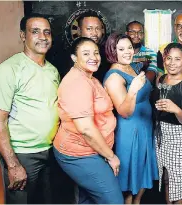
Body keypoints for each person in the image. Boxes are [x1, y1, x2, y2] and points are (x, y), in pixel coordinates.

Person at [0, 14, 60, 204]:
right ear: (23, 36)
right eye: (35, 31)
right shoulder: (8, 70)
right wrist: (13, 165)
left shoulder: (52, 70)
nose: (43, 37)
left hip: (50, 152)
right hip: (22, 154)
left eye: (47, 32)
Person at [53, 37, 123, 204]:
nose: (94, 57)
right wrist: (111, 157)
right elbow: (86, 129)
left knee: (89, 200)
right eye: (86, 53)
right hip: (79, 153)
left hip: (93, 151)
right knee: (114, 201)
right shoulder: (77, 82)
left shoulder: (89, 77)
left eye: (96, 53)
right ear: (74, 58)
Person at [103, 33, 158, 204]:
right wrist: (133, 91)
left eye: (129, 47)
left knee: (142, 172)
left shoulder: (131, 67)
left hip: (144, 127)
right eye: (121, 49)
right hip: (130, 130)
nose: (127, 52)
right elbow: (124, 112)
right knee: (128, 180)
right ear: (113, 51)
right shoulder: (114, 77)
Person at [153, 43, 182, 204]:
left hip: (181, 137)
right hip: (161, 135)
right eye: (169, 58)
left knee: (177, 187)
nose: (172, 62)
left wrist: (175, 109)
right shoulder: (161, 79)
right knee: (166, 180)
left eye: (177, 59)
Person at [49, 11, 110, 82]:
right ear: (79, 30)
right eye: (89, 29)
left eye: (98, 28)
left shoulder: (105, 54)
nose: (94, 33)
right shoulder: (65, 55)